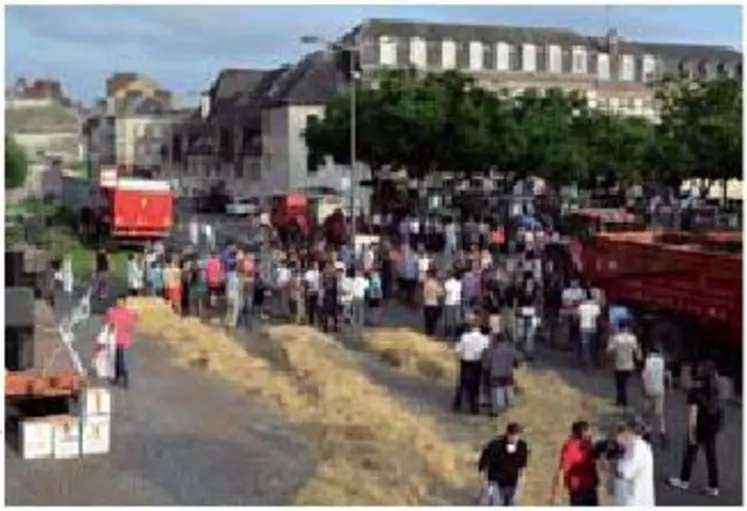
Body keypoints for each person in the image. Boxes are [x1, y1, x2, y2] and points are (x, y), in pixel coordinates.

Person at [667, 360, 723, 497]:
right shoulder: (715, 389)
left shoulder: (695, 392)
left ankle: (684, 480)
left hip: (699, 426)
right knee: (711, 455)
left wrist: (691, 432)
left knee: (690, 453)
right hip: (712, 427)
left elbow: (693, 414)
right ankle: (713, 486)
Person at [478, 422, 529, 506]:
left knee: (512, 503)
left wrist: (522, 481)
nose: (515, 438)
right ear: (508, 434)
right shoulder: (495, 445)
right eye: (513, 435)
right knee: (495, 503)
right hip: (494, 481)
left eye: (517, 435)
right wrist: (483, 481)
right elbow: (483, 464)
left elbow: (522, 465)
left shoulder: (522, 446)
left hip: (512, 481)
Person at [552, 421, 600, 506]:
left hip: (591, 488)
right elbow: (562, 471)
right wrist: (558, 494)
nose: (590, 433)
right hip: (578, 490)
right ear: (582, 432)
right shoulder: (571, 447)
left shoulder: (587, 444)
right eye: (588, 431)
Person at [453, 314, 490, 415]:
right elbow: (486, 351)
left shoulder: (464, 337)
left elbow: (458, 350)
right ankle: (474, 406)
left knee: (462, 382)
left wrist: (460, 354)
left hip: (465, 361)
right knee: (476, 384)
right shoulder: (484, 338)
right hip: (477, 363)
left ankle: (457, 404)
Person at [612, 420, 655, 506]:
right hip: (630, 498)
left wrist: (610, 468)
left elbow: (625, 473)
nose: (616, 440)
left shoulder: (637, 448)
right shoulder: (632, 447)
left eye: (617, 436)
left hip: (634, 500)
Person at [605, 319, 641, 409]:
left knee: (619, 383)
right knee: (624, 383)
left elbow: (609, 350)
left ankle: (621, 401)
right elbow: (637, 351)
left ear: (619, 327)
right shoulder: (633, 338)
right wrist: (639, 360)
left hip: (618, 364)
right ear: (628, 328)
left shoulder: (615, 338)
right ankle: (621, 400)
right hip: (629, 365)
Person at [106, 294, 139, 389]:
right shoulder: (111, 311)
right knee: (115, 361)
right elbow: (108, 323)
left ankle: (125, 379)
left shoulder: (129, 313)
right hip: (114, 340)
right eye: (117, 302)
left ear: (124, 303)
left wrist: (135, 316)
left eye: (121, 302)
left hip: (125, 341)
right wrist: (111, 326)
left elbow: (134, 322)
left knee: (123, 361)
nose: (118, 304)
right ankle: (116, 378)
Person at [482, 333, 518, 416]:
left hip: (496, 374)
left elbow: (486, 364)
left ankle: (495, 411)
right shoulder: (511, 348)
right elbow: (517, 360)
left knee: (495, 393)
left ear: (497, 340)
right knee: (508, 391)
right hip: (508, 373)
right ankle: (508, 409)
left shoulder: (492, 349)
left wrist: (486, 368)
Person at [641, 346, 668, 448]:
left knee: (647, 414)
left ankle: (648, 434)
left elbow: (644, 375)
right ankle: (662, 434)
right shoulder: (662, 361)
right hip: (659, 390)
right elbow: (665, 375)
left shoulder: (647, 361)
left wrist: (643, 388)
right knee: (659, 414)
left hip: (648, 390)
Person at [577, 291, 602, 367]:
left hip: (583, 327)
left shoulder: (581, 306)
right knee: (592, 345)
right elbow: (598, 316)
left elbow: (578, 315)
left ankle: (585, 361)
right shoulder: (596, 307)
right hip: (592, 327)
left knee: (585, 345)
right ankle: (593, 360)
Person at [443, 270, 463, 341]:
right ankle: (457, 335)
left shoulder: (447, 283)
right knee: (457, 319)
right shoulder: (459, 283)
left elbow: (446, 292)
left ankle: (448, 335)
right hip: (457, 303)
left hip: (449, 303)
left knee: (449, 319)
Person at [422, 269, 443, 336]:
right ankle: (432, 330)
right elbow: (440, 293)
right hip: (435, 303)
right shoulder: (437, 283)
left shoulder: (426, 283)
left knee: (428, 318)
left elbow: (424, 293)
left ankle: (428, 330)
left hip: (427, 303)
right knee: (434, 319)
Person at [304, 261, 321, 326]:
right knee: (311, 307)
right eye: (314, 265)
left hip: (317, 291)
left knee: (318, 307)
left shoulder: (318, 272)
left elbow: (320, 282)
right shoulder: (308, 273)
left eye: (316, 265)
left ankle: (319, 321)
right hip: (310, 292)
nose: (315, 266)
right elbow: (306, 283)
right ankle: (311, 321)